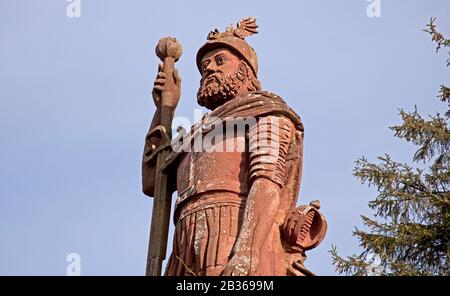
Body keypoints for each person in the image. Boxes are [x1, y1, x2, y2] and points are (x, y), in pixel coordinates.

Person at [142, 17, 326, 276]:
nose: (209, 69)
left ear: (245, 70)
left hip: (232, 231)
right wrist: (164, 110)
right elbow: (152, 181)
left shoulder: (266, 112)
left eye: (220, 61)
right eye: (205, 65)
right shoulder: (196, 132)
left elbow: (267, 184)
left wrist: (246, 254)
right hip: (185, 244)